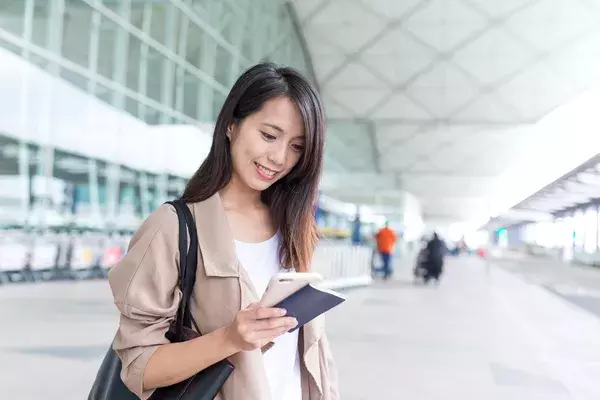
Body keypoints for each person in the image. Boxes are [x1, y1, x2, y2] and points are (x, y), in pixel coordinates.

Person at [108, 62, 338, 400]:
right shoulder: (173, 226)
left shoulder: (296, 227)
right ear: (231, 125)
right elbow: (139, 367)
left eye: (297, 147)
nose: (279, 157)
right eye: (269, 135)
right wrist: (230, 338)